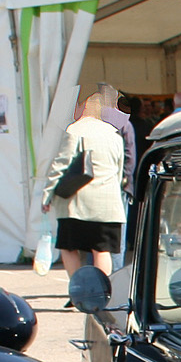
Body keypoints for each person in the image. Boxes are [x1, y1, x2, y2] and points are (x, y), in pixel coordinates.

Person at [41, 93, 126, 278]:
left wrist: (47, 194)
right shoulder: (115, 136)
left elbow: (62, 163)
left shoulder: (76, 130)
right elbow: (119, 171)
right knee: (101, 250)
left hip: (78, 204)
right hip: (109, 205)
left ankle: (78, 289)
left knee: (69, 247)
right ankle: (102, 292)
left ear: (83, 110)